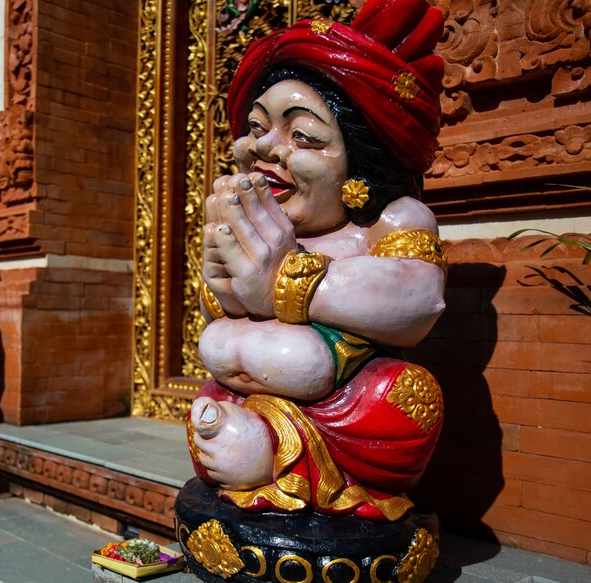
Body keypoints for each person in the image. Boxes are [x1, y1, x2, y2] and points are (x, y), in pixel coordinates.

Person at [188, 0, 447, 521]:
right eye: (257, 128)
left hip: (346, 418)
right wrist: (224, 284)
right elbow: (224, 305)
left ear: (358, 159)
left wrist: (285, 278)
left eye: (302, 136)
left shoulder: (390, 220)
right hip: (243, 395)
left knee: (404, 396)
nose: (264, 148)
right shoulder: (253, 219)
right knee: (212, 403)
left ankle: (283, 462)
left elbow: (419, 299)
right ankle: (250, 449)